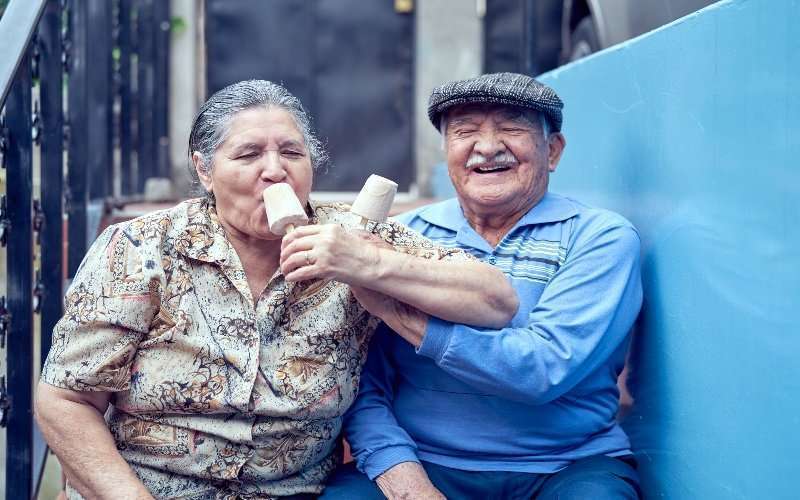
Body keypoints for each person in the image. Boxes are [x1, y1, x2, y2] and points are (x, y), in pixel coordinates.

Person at [34, 79, 519, 499]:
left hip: (294, 491)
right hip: (148, 486)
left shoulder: (352, 238)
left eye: (291, 153)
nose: (275, 170)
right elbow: (66, 401)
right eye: (248, 154)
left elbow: (496, 300)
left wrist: (369, 264)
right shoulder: (141, 247)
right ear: (204, 170)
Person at [324, 72, 644, 499]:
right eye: (465, 131)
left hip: (566, 465)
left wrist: (395, 307)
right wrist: (406, 482)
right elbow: (363, 385)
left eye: (512, 128)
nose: (488, 146)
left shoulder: (599, 237)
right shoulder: (402, 236)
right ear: (447, 151)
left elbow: (542, 370)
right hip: (424, 460)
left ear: (552, 150)